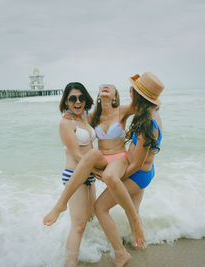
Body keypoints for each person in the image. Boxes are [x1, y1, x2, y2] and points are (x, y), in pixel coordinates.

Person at [43, 83, 146, 250]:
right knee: (92, 156)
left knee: (119, 191)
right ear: (98, 96)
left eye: (109, 87)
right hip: (102, 160)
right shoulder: (93, 117)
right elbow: (77, 118)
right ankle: (63, 206)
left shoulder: (122, 110)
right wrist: (67, 115)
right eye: (102, 87)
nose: (104, 87)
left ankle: (135, 224)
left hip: (119, 158)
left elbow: (140, 106)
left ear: (115, 96)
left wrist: (133, 89)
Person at [94, 72, 164, 266]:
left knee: (100, 208)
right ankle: (139, 242)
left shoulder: (146, 124)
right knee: (133, 208)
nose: (130, 90)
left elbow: (135, 164)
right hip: (146, 171)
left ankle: (120, 253)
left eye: (133, 89)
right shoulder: (150, 114)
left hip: (138, 174)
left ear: (138, 95)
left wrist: (111, 178)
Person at [56, 82, 96, 267]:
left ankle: (86, 252)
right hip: (75, 174)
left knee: (89, 217)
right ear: (66, 101)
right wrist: (101, 171)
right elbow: (78, 155)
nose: (77, 101)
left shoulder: (85, 117)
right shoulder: (66, 123)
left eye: (81, 97)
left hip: (89, 173)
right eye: (73, 98)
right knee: (78, 225)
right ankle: (69, 263)